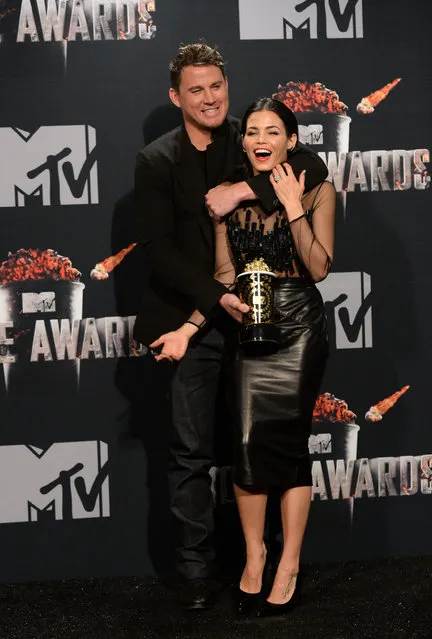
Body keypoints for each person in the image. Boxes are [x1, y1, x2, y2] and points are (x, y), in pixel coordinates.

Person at [134, 42, 329, 611]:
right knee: (194, 450)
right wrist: (211, 304)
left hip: (268, 314)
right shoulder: (156, 160)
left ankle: (271, 560)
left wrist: (242, 187)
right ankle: (198, 573)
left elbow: (311, 168)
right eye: (195, 90)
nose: (209, 97)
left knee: (266, 444)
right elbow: (159, 251)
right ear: (176, 97)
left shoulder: (253, 135)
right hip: (195, 312)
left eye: (216, 86)